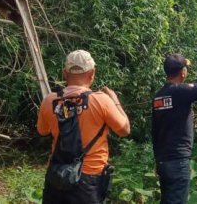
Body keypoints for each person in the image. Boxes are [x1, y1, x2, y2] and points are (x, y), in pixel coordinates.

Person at [37, 50, 131, 204]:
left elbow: (42, 131)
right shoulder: (102, 100)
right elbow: (125, 130)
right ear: (92, 73)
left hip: (56, 177)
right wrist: (115, 100)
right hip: (89, 179)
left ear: (65, 73)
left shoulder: (49, 101)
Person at [152, 51, 197, 204]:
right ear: (183, 72)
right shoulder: (180, 91)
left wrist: (157, 161)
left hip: (164, 162)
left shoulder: (158, 96)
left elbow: (155, 132)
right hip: (177, 163)